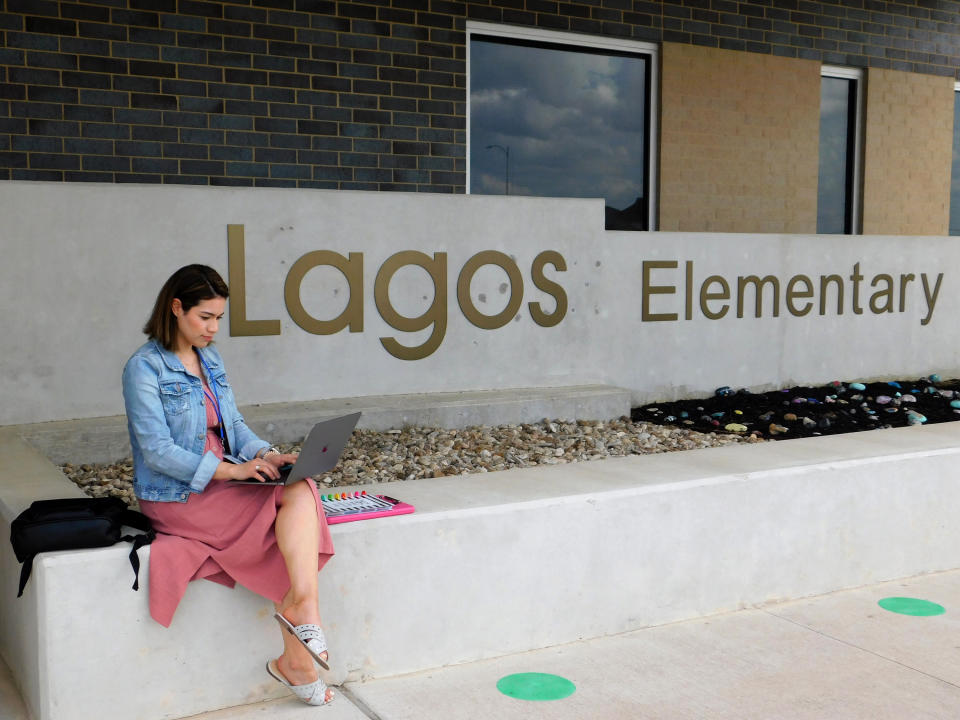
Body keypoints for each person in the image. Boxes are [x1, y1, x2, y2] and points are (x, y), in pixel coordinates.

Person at [122, 264, 335, 707]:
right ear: (176, 308)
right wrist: (231, 472)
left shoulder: (210, 358)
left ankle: (303, 616)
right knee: (291, 508)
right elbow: (157, 451)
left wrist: (265, 456)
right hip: (179, 496)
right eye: (205, 317)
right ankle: (299, 643)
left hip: (221, 484)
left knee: (299, 485)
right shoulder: (143, 368)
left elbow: (234, 427)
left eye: (219, 318)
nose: (213, 328)